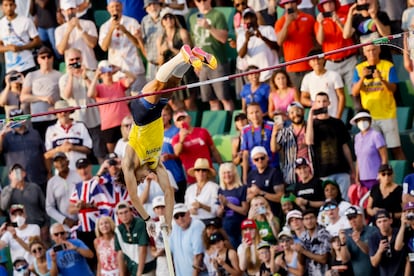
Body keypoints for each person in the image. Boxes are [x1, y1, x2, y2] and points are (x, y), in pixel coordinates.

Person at [121, 45, 217, 231]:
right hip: (156, 115)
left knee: (158, 84)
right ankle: (191, 55)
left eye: (139, 180)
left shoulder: (129, 163)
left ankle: (183, 55)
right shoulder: (156, 164)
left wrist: (147, 219)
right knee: (173, 83)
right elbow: (168, 194)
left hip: (140, 117)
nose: (142, 180)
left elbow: (133, 197)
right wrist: (168, 221)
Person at [351, 44, 404, 160]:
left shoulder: (388, 66)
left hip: (387, 114)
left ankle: (407, 176)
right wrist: (362, 78)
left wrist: (381, 79)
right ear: (364, 52)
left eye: (374, 49)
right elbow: (354, 92)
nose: (371, 53)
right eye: (368, 50)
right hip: (370, 117)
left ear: (379, 50)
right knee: (374, 150)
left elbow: (393, 88)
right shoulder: (359, 68)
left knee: (395, 148)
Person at [305, 92, 355, 201]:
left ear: (329, 103)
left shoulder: (338, 123)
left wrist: (352, 169)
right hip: (323, 172)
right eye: (318, 101)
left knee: (345, 201)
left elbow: (345, 147)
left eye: (324, 101)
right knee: (328, 202)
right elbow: (309, 141)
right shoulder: (312, 125)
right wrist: (310, 116)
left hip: (341, 169)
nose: (322, 104)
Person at [59, 48, 105, 163]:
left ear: (82, 59)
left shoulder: (90, 74)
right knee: (80, 157)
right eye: (72, 60)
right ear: (67, 61)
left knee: (100, 153)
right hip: (76, 122)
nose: (75, 62)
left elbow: (95, 94)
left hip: (94, 120)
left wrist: (85, 78)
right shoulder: (64, 78)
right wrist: (70, 76)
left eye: (77, 59)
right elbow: (66, 95)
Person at [188, 0, 234, 111]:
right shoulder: (192, 18)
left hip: (217, 62)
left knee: (225, 98)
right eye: (198, 0)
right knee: (211, 100)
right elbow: (194, 42)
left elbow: (223, 38)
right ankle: (218, 125)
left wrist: (209, 27)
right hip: (202, 65)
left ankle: (232, 124)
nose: (201, 2)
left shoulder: (217, 15)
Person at [315, 0, 359, 104]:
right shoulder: (320, 21)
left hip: (349, 59)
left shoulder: (345, 15)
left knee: (355, 92)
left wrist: (338, 21)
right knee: (330, 94)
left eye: (331, 2)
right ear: (322, 7)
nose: (329, 6)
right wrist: (320, 24)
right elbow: (320, 41)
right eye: (325, 4)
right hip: (331, 62)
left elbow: (349, 34)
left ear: (335, 4)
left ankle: (360, 115)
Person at [99, 0, 146, 92]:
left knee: (140, 101)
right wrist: (111, 30)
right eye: (112, 7)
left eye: (117, 6)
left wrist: (125, 31)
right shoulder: (105, 27)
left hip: (135, 68)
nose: (115, 9)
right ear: (108, 9)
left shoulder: (132, 22)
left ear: (122, 7)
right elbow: (104, 47)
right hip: (117, 73)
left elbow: (138, 44)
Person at [88, 60, 134, 153]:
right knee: (113, 154)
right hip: (109, 125)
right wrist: (96, 75)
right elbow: (90, 94)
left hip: (124, 122)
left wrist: (120, 69)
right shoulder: (99, 87)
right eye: (104, 70)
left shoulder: (119, 83)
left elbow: (133, 78)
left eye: (108, 69)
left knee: (131, 148)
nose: (107, 72)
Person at [157, 8, 197, 111]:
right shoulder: (160, 39)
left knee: (189, 104)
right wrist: (162, 52)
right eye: (165, 18)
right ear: (162, 22)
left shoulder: (182, 33)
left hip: (185, 72)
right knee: (177, 107)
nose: (168, 19)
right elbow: (160, 62)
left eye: (170, 16)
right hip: (172, 74)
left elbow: (189, 54)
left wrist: (172, 49)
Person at [20, 46, 61, 141]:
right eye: (43, 57)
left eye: (49, 56)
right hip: (37, 118)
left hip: (54, 117)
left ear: (52, 58)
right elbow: (23, 97)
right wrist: (43, 98)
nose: (46, 59)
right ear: (38, 60)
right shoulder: (31, 75)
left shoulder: (59, 75)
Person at [0, 109, 49, 189]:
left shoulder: (34, 133)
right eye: (14, 120)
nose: (17, 122)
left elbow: (44, 153)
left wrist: (48, 172)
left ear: (24, 119)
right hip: (18, 180)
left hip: (38, 177)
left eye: (20, 119)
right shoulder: (6, 136)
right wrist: (1, 136)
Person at [172, 109, 222, 184]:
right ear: (176, 124)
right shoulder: (176, 138)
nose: (182, 121)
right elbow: (177, 152)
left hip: (208, 174)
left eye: (184, 118)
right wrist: (181, 139)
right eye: (179, 120)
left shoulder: (203, 131)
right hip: (192, 178)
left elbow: (214, 150)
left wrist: (221, 164)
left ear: (189, 118)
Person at [0, 165, 48, 242]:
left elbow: (45, 208)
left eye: (19, 171)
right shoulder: (6, 190)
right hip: (19, 230)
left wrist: (45, 226)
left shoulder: (34, 187)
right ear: (10, 176)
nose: (17, 174)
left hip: (37, 227)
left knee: (40, 251)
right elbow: (3, 206)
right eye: (14, 172)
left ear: (24, 173)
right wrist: (12, 187)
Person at [274, 0, 316, 89]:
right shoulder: (280, 22)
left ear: (296, 3)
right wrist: (287, 23)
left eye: (292, 2)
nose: (290, 5)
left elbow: (316, 40)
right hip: (293, 69)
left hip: (311, 66)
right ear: (284, 6)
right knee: (297, 100)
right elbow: (280, 41)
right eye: (287, 3)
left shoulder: (309, 18)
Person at [271, 102, 312, 187]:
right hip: (292, 175)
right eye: (292, 112)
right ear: (288, 116)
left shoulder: (310, 128)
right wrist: (274, 133)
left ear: (303, 112)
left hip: (310, 171)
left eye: (298, 111)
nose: (295, 114)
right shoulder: (285, 132)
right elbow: (274, 149)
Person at [44, 100, 92, 170]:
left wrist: (73, 147)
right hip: (61, 172)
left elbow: (88, 149)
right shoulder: (51, 129)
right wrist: (60, 149)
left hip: (80, 169)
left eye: (65, 111)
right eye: (60, 111)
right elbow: (47, 155)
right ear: (56, 114)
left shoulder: (81, 126)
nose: (63, 113)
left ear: (69, 112)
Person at [300, 48, 345, 119]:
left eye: (319, 59)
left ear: (323, 59)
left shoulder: (334, 75)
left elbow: (341, 96)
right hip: (316, 118)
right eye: (313, 60)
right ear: (309, 63)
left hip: (333, 116)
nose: (316, 62)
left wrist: (338, 117)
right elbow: (303, 98)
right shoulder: (307, 78)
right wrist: (314, 103)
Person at [237, 8, 279, 83]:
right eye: (246, 18)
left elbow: (276, 47)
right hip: (255, 78)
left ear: (256, 17)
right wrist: (246, 41)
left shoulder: (268, 29)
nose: (249, 20)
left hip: (271, 75)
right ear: (244, 21)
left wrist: (262, 37)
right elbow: (241, 55)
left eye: (251, 17)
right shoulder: (241, 36)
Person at [114, 201, 156, 275]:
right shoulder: (118, 230)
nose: (124, 215)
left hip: (146, 268)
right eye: (120, 213)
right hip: (132, 269)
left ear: (131, 212)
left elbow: (143, 249)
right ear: (117, 215)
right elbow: (120, 253)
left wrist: (139, 273)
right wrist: (121, 274)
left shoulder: (140, 224)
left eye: (126, 212)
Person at [0, 0, 41, 74]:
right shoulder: (1, 24)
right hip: (11, 68)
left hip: (28, 65)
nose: (9, 8)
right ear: (1, 7)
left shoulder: (26, 21)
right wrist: (8, 48)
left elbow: (37, 41)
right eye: (6, 5)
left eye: (11, 5)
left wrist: (21, 47)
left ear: (15, 6)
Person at [350, 110, 388, 190]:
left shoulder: (376, 135)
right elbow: (358, 159)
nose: (362, 122)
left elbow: (384, 157)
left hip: (376, 177)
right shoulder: (357, 137)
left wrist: (382, 175)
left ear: (370, 121)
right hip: (362, 179)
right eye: (359, 120)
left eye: (364, 119)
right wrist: (357, 176)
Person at [241, 103, 279, 183]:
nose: (255, 115)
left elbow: (278, 148)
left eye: (257, 112)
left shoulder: (272, 126)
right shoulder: (245, 130)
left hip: (272, 167)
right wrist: (245, 176)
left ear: (262, 112)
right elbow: (245, 154)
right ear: (248, 116)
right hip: (255, 170)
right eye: (251, 113)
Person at [55, 0, 98, 69]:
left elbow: (92, 44)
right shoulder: (59, 30)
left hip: (89, 66)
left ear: (76, 9)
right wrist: (69, 30)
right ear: (63, 12)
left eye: (72, 9)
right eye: (67, 10)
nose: (70, 12)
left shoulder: (89, 24)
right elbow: (61, 50)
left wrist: (80, 28)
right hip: (72, 69)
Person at [246, 146, 285, 218]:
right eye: (256, 159)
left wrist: (261, 192)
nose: (260, 160)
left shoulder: (274, 173)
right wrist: (253, 194)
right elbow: (247, 198)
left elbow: (281, 198)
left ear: (267, 157)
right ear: (253, 161)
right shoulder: (251, 175)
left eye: (262, 158)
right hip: (257, 214)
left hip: (271, 213)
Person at [45, 152, 81, 230]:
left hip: (82, 221)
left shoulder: (78, 175)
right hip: (64, 226)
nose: (60, 163)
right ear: (54, 165)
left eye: (62, 160)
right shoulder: (52, 182)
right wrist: (64, 220)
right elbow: (49, 207)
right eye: (57, 161)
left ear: (68, 162)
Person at [217, 162, 248, 248]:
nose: (226, 175)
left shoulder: (242, 188)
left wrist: (228, 204)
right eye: (224, 173)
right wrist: (220, 210)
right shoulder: (220, 190)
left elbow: (245, 211)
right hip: (227, 230)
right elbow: (219, 214)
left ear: (234, 173)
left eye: (229, 172)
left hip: (241, 228)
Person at [169, 203, 205, 276]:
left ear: (188, 213)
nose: (180, 219)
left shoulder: (197, 225)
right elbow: (171, 252)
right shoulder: (175, 228)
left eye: (182, 214)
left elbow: (198, 256)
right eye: (176, 216)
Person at [292, 209, 332, 275]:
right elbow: (302, 262)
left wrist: (303, 251)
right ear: (303, 222)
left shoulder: (323, 234)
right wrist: (298, 251)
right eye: (306, 219)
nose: (309, 221)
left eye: (311, 218)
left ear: (316, 219)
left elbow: (324, 259)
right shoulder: (303, 235)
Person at [161, 104, 187, 203]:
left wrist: (169, 156)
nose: (161, 118)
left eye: (165, 115)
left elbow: (182, 153)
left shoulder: (176, 131)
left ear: (170, 116)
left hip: (176, 174)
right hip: (160, 177)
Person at [368, 210, 406, 276]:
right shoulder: (373, 238)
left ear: (390, 221)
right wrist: (380, 251)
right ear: (376, 224)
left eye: (385, 221)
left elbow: (408, 257)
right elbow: (374, 263)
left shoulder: (399, 233)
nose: (382, 224)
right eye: (379, 222)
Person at [342, 205, 376, 276]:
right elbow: (345, 259)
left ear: (361, 216)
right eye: (350, 218)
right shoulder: (346, 234)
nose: (352, 221)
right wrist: (343, 243)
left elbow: (370, 251)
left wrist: (358, 241)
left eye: (354, 217)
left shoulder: (372, 230)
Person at [140, 0, 163, 81]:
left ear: (160, 6)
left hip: (166, 61)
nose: (153, 7)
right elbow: (142, 42)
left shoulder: (167, 17)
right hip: (151, 63)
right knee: (153, 91)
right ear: (146, 9)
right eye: (149, 5)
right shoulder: (144, 21)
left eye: (155, 4)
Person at [395, 201, 414, 274]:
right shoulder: (407, 231)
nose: (411, 214)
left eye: (413, 211)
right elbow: (397, 247)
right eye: (409, 211)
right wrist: (403, 225)